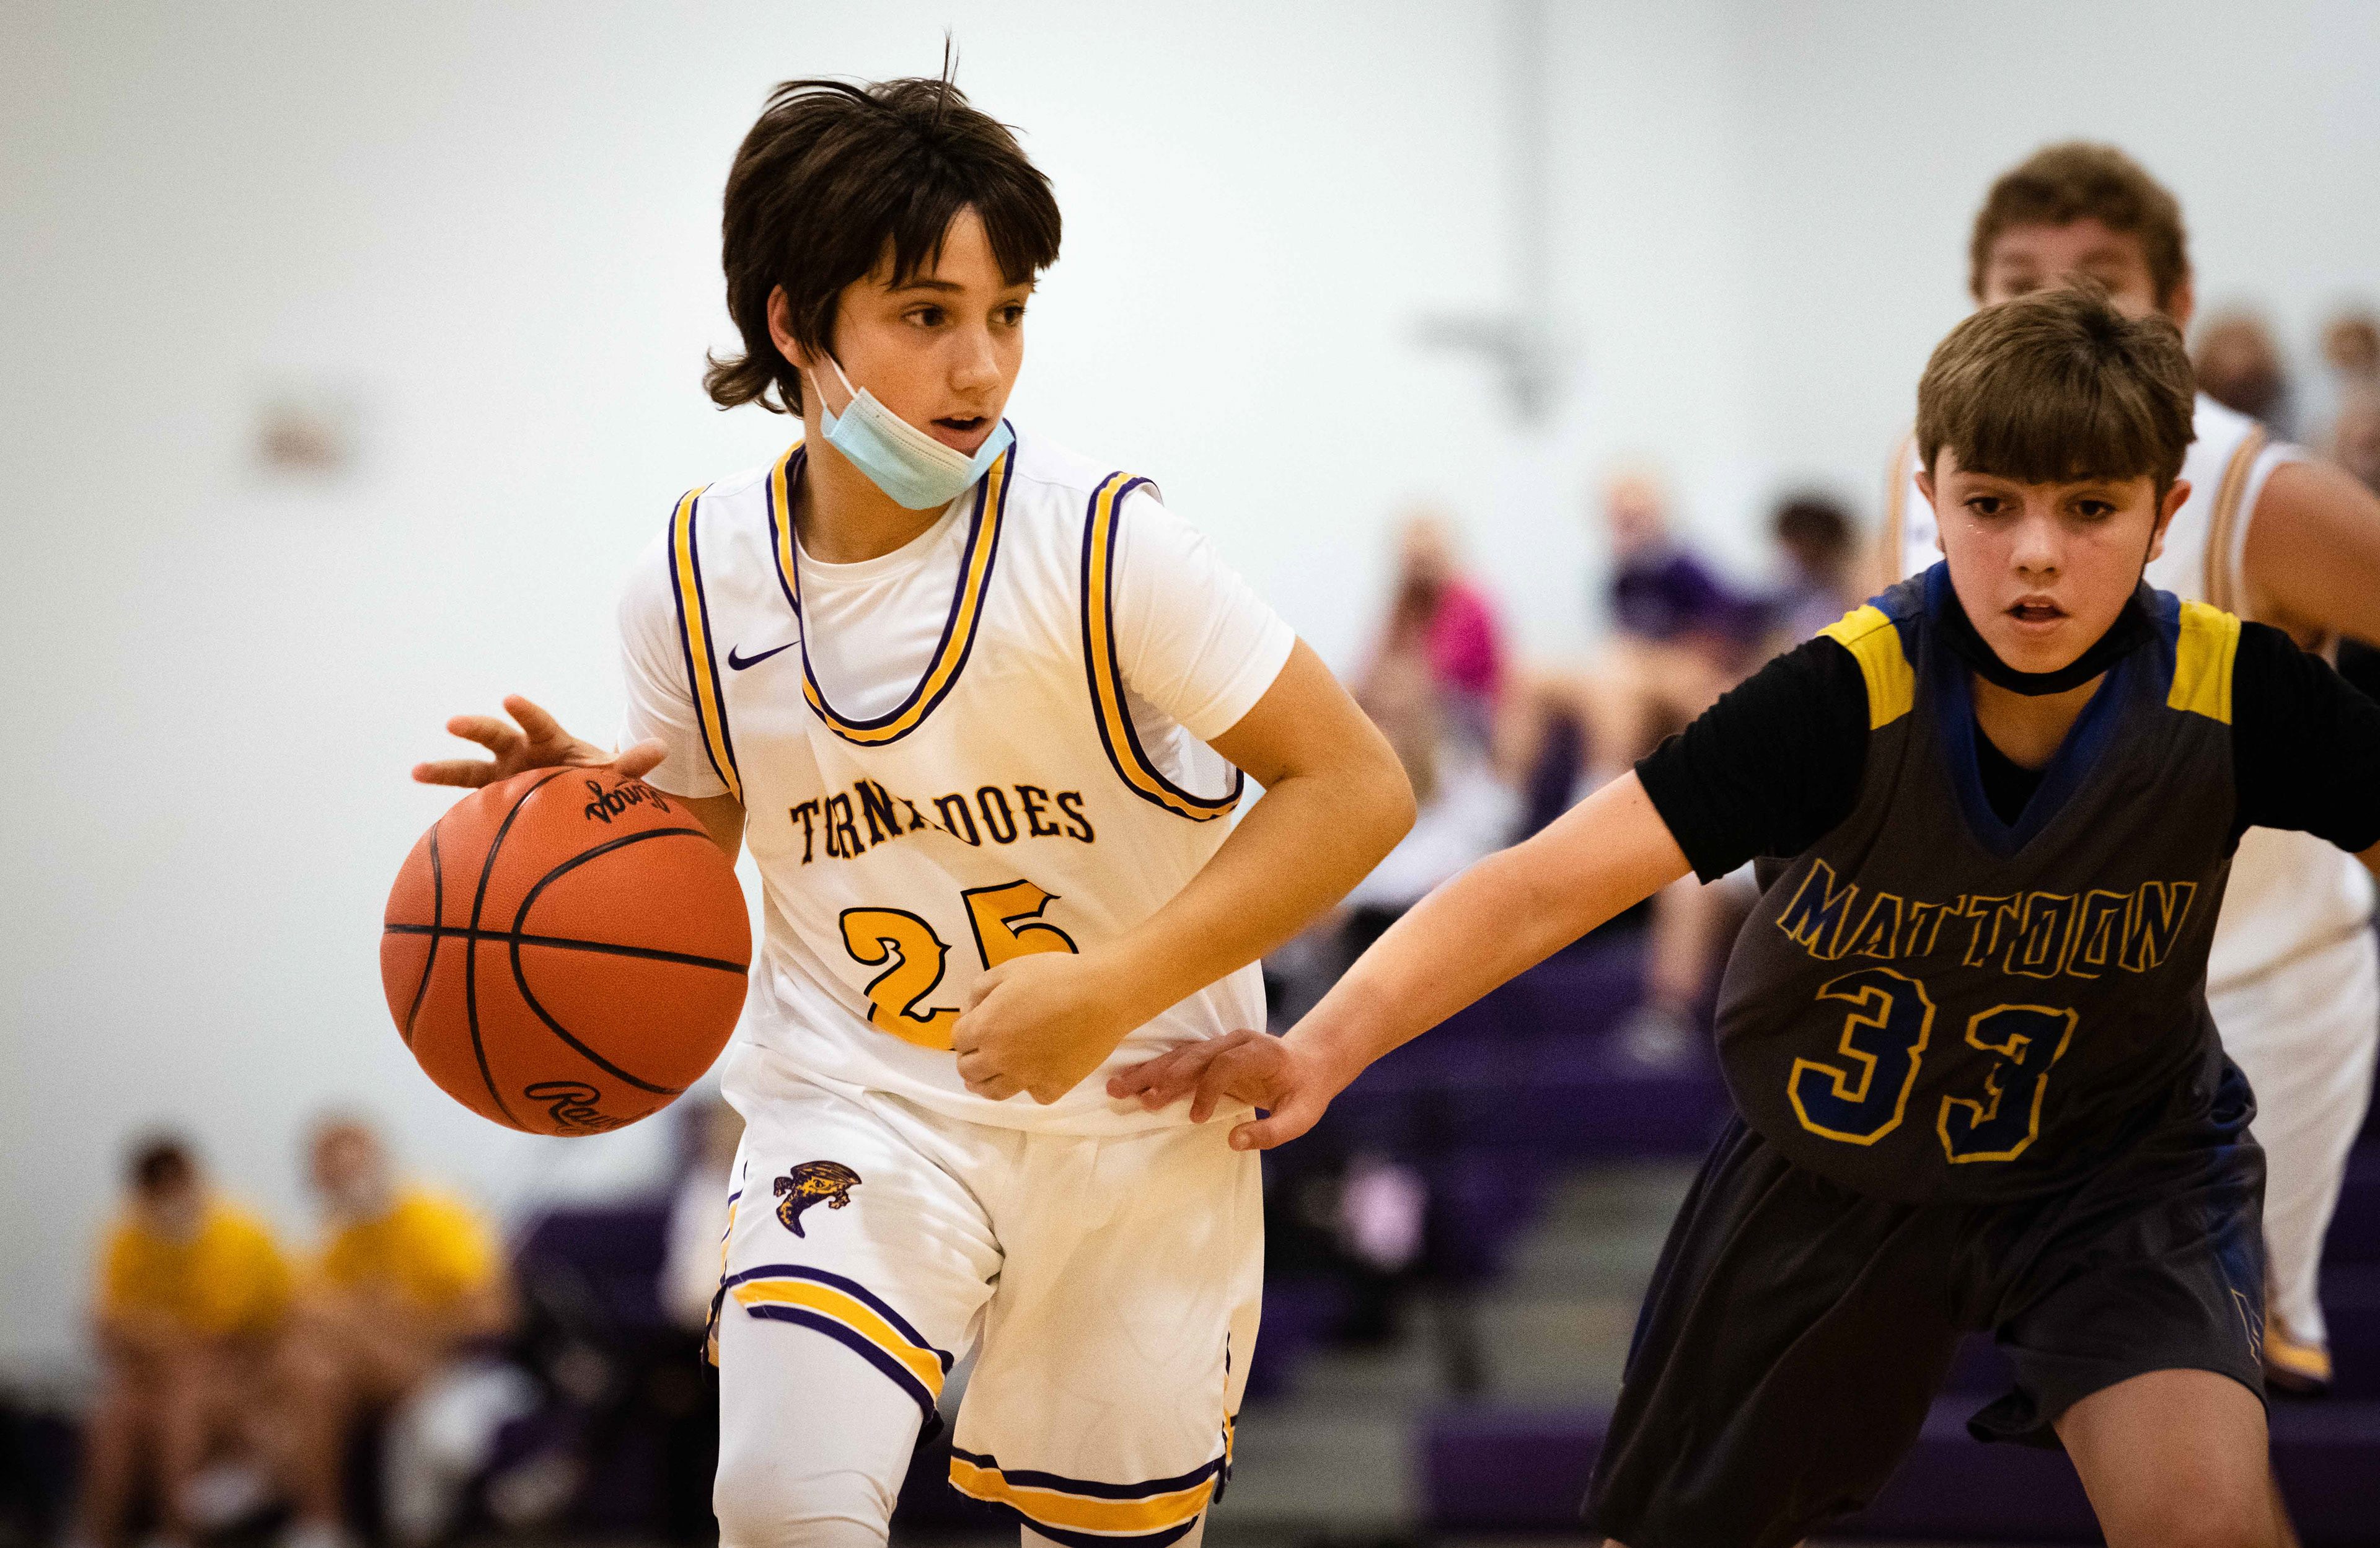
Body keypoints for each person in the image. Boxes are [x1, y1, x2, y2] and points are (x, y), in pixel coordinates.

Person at [1120, 284, 2380, 1547]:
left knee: (2205, 1521)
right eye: (1994, 505)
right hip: (1830, 1170)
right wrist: (1323, 1047)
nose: (2038, 552)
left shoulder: (2240, 692)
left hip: (2119, 1170)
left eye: (2091, 507)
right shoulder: (1845, 693)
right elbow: (1543, 883)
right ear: (1930, 500)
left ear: (2166, 514)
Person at [411, 73, 1411, 1548]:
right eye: (927, 314)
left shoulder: (1107, 549)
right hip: (859, 1101)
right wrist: (577, 837)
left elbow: (1359, 786)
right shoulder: (689, 584)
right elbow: (691, 875)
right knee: (780, 1501)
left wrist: (1113, 985)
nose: (981, 366)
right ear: (794, 322)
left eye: (1007, 312)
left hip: (1134, 1117)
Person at [1871, 141, 2380, 1397]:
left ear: (2178, 305)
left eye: (2101, 276)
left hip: (2251, 997)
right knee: (2095, 1393)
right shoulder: (1924, 469)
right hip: (2039, 1005)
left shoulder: (2262, 489)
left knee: (2191, 1383)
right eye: (2021, 277)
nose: (2060, 301)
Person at [271, 1118, 511, 1548]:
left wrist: (397, 1318)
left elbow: (493, 1313)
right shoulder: (336, 1238)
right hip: (371, 1375)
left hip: (451, 1365)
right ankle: (320, 1524)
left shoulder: (431, 1213)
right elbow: (303, 1319)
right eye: (332, 1176)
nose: (345, 1184)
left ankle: (311, 1515)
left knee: (321, 1341)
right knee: (307, 1370)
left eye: (352, 1169)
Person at [71, 1136, 291, 1548]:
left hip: (244, 1374)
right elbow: (107, 1327)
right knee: (114, 1418)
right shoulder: (124, 1236)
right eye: (159, 1189)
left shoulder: (240, 1230)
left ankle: (178, 1532)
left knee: (183, 1407)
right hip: (157, 1375)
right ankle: (99, 1535)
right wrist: (165, 1341)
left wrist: (157, 1335)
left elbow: (231, 1335)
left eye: (179, 1184)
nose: (172, 1198)